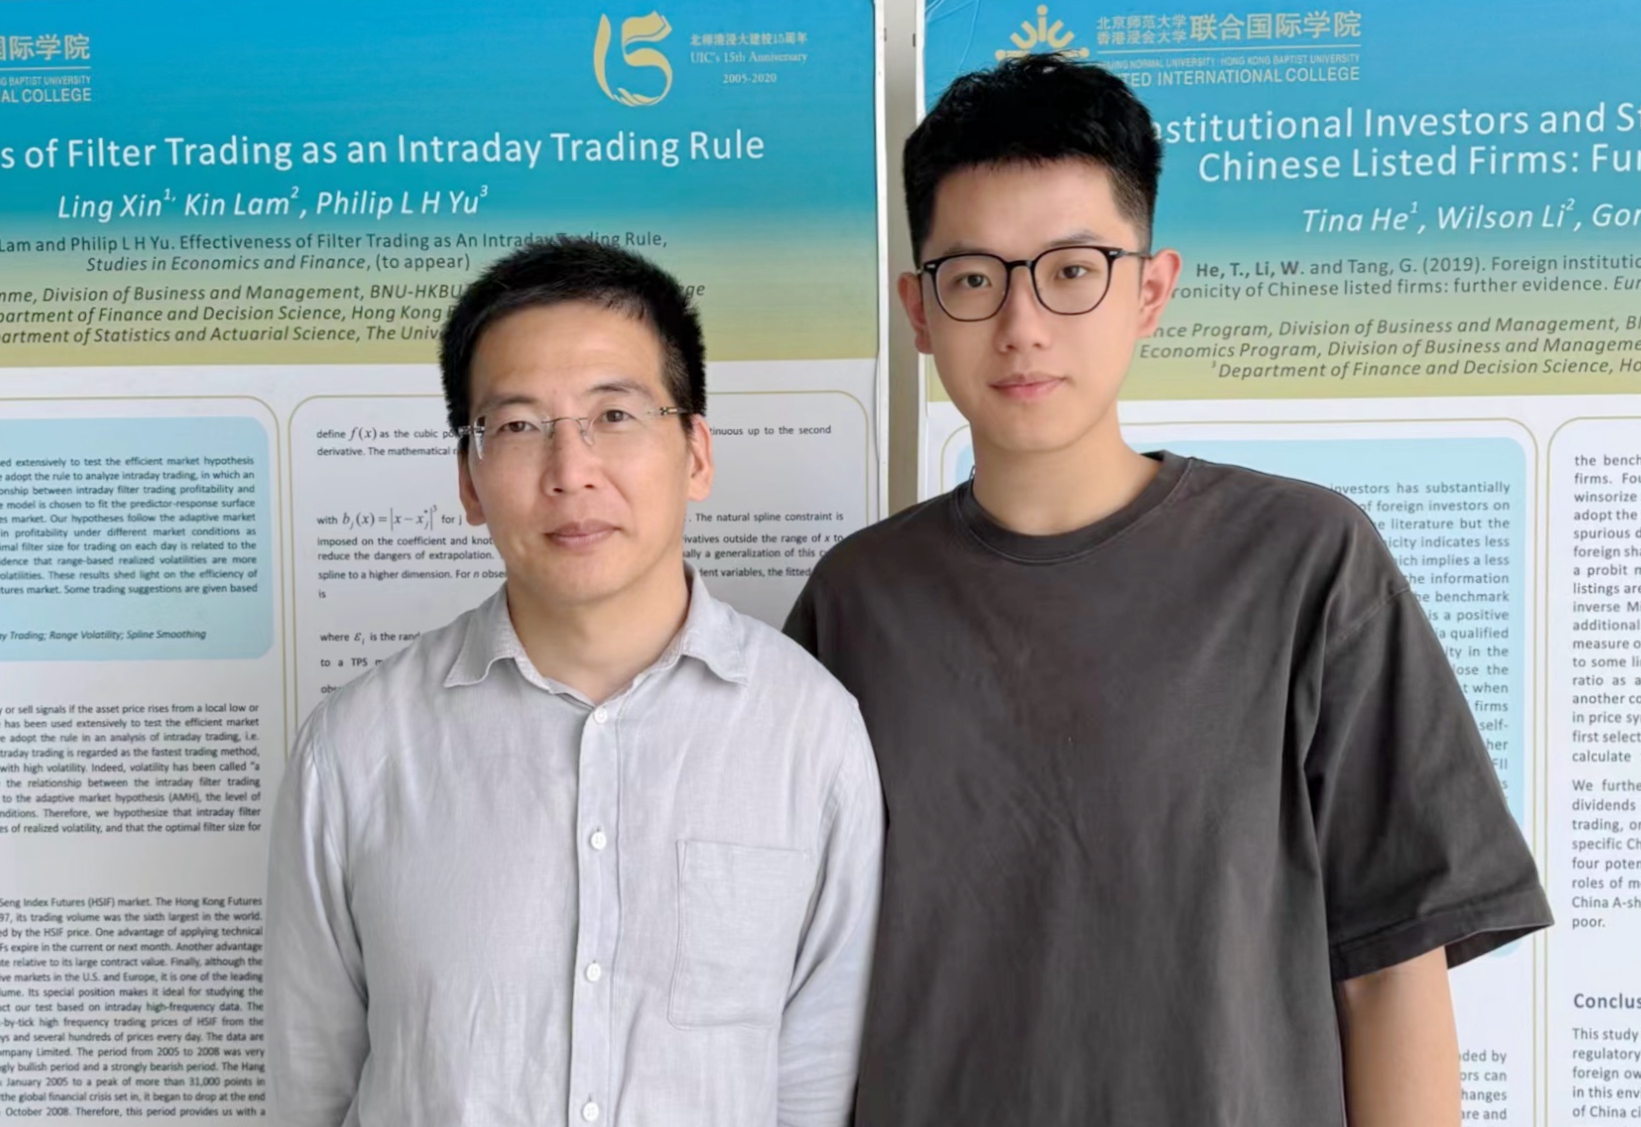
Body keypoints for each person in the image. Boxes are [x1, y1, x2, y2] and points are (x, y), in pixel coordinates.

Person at [786, 55, 1551, 1127]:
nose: (1021, 323)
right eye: (973, 277)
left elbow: (1390, 969)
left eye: (1071, 270)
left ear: (1149, 291)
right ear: (919, 309)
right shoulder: (856, 601)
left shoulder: (1303, 561)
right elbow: (800, 977)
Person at [267, 236, 883, 1127]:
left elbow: (814, 1088)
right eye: (519, 426)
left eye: (614, 414)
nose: (570, 471)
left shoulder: (810, 733)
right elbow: (312, 1088)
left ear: (696, 453)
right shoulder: (355, 752)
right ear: (468, 479)